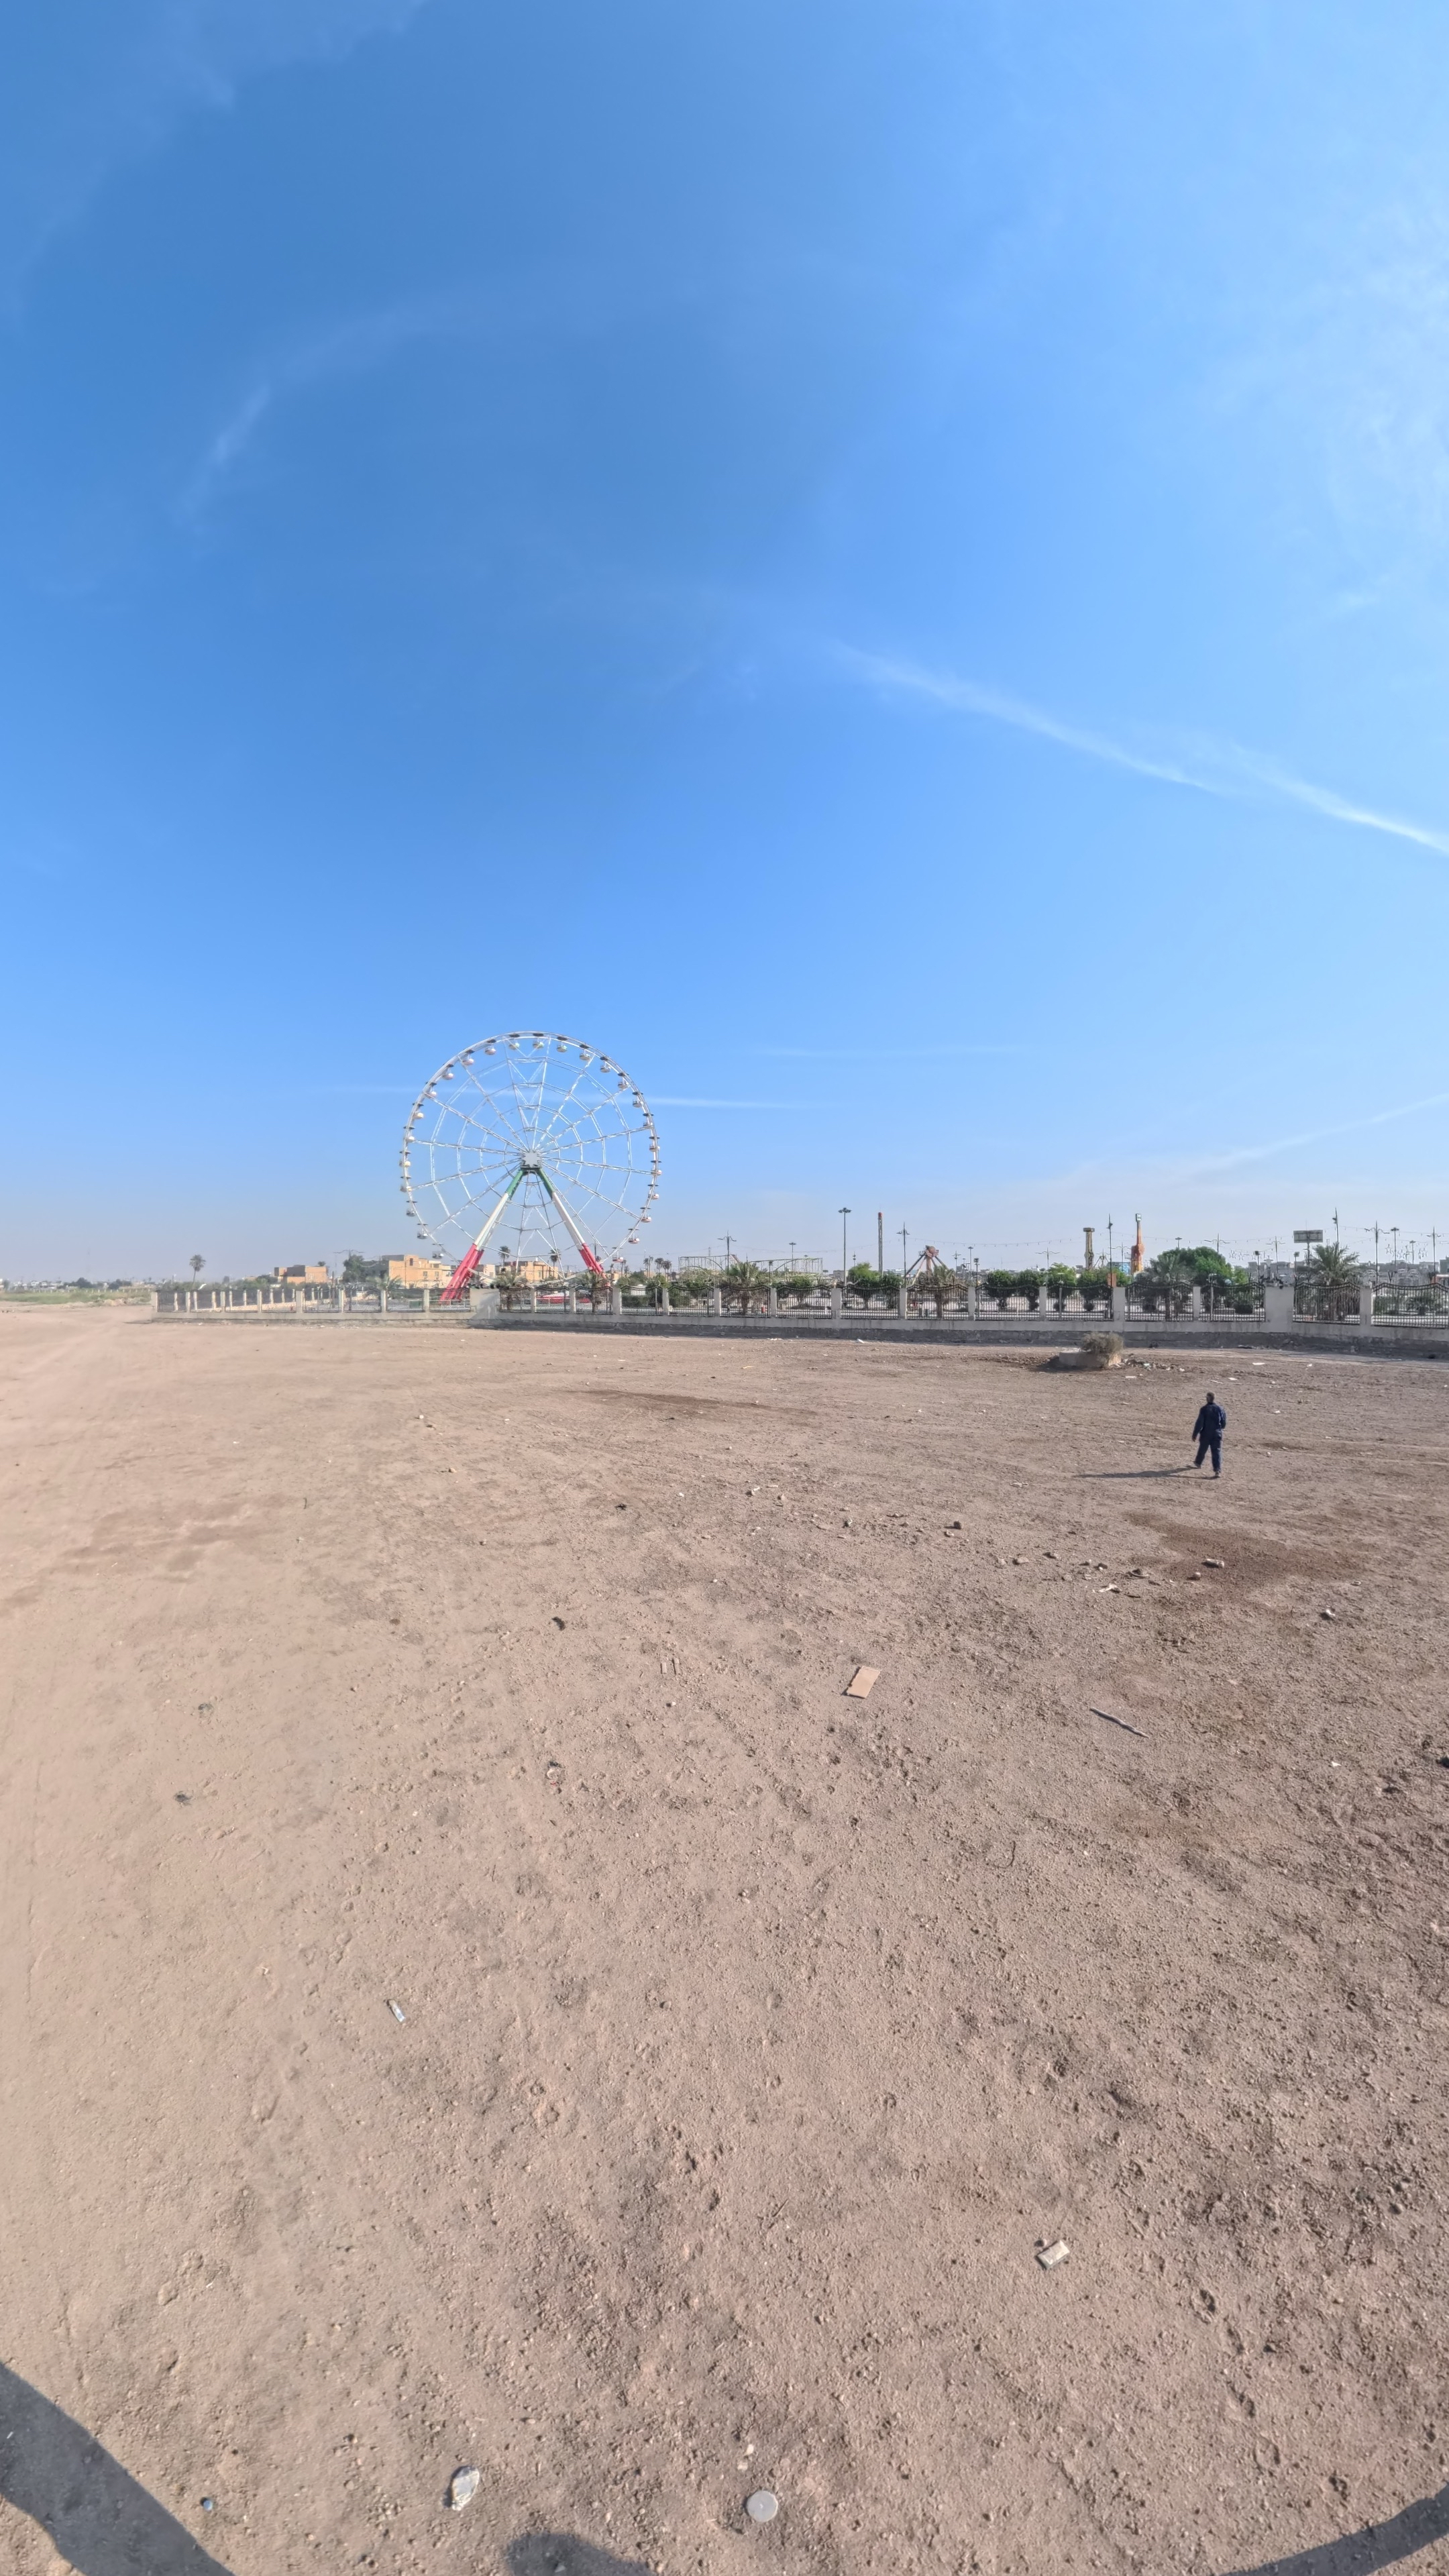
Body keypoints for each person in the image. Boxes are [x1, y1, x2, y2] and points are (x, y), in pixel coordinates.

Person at [1191, 1390, 1226, 1477]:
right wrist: (1220, 1428)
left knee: (1203, 1449)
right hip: (1217, 1433)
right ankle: (1217, 1470)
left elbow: (1200, 1423)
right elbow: (1224, 1422)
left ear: (1207, 1399)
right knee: (1216, 1451)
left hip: (1206, 1433)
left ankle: (1198, 1463)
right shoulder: (1220, 1409)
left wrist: (1195, 1434)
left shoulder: (1204, 1409)